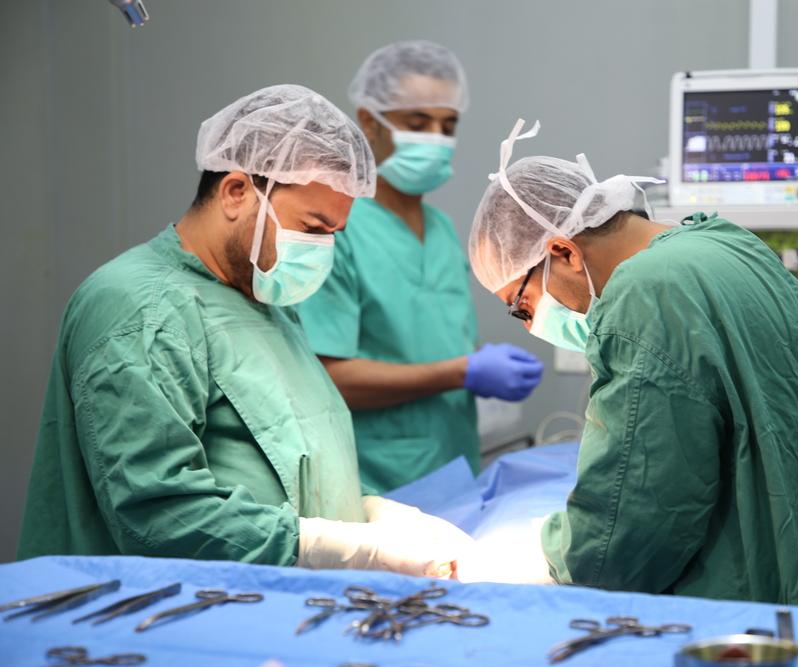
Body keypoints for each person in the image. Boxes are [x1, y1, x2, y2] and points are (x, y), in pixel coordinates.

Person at [464, 119, 798, 665]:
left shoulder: (644, 296)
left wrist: (546, 555)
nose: (530, 321)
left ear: (562, 251)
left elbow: (627, 532)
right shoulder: (726, 245)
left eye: (521, 303)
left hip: (783, 612)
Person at [18, 85, 472, 578]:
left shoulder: (268, 301)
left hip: (268, 604)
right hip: (153, 618)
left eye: (334, 235)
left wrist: (368, 514)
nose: (323, 251)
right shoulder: (139, 309)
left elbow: (286, 465)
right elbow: (158, 513)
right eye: (313, 228)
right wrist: (340, 546)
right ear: (236, 192)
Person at [297, 41, 543, 494]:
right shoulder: (335, 228)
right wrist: (463, 371)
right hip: (374, 483)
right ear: (369, 122)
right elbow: (325, 377)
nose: (435, 137)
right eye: (417, 123)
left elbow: (430, 336)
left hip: (454, 465)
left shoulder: (443, 229)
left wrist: (483, 364)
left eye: (447, 125)